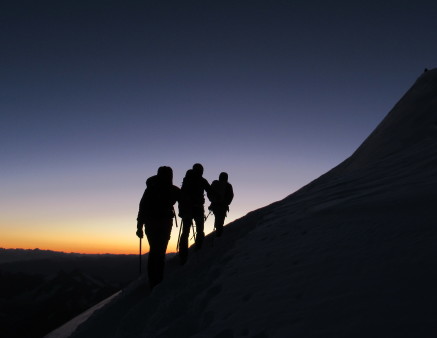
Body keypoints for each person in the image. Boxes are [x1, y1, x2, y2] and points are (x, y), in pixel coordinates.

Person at [136, 166, 180, 289]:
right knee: (159, 251)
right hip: (164, 223)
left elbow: (142, 207)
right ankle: (157, 281)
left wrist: (139, 226)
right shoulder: (171, 189)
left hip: (151, 224)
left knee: (155, 251)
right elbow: (184, 198)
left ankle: (154, 280)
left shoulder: (151, 189)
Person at [178, 163, 211, 264]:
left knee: (185, 232)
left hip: (186, 210)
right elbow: (210, 190)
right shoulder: (202, 180)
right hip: (197, 209)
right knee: (200, 230)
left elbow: (181, 195)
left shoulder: (187, 179)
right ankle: (199, 250)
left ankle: (183, 256)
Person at [208, 172, 234, 237]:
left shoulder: (215, 183)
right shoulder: (228, 186)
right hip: (223, 206)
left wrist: (213, 200)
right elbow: (231, 196)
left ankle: (218, 232)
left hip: (215, 206)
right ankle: (219, 234)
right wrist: (226, 203)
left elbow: (209, 193)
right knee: (220, 220)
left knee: (218, 219)